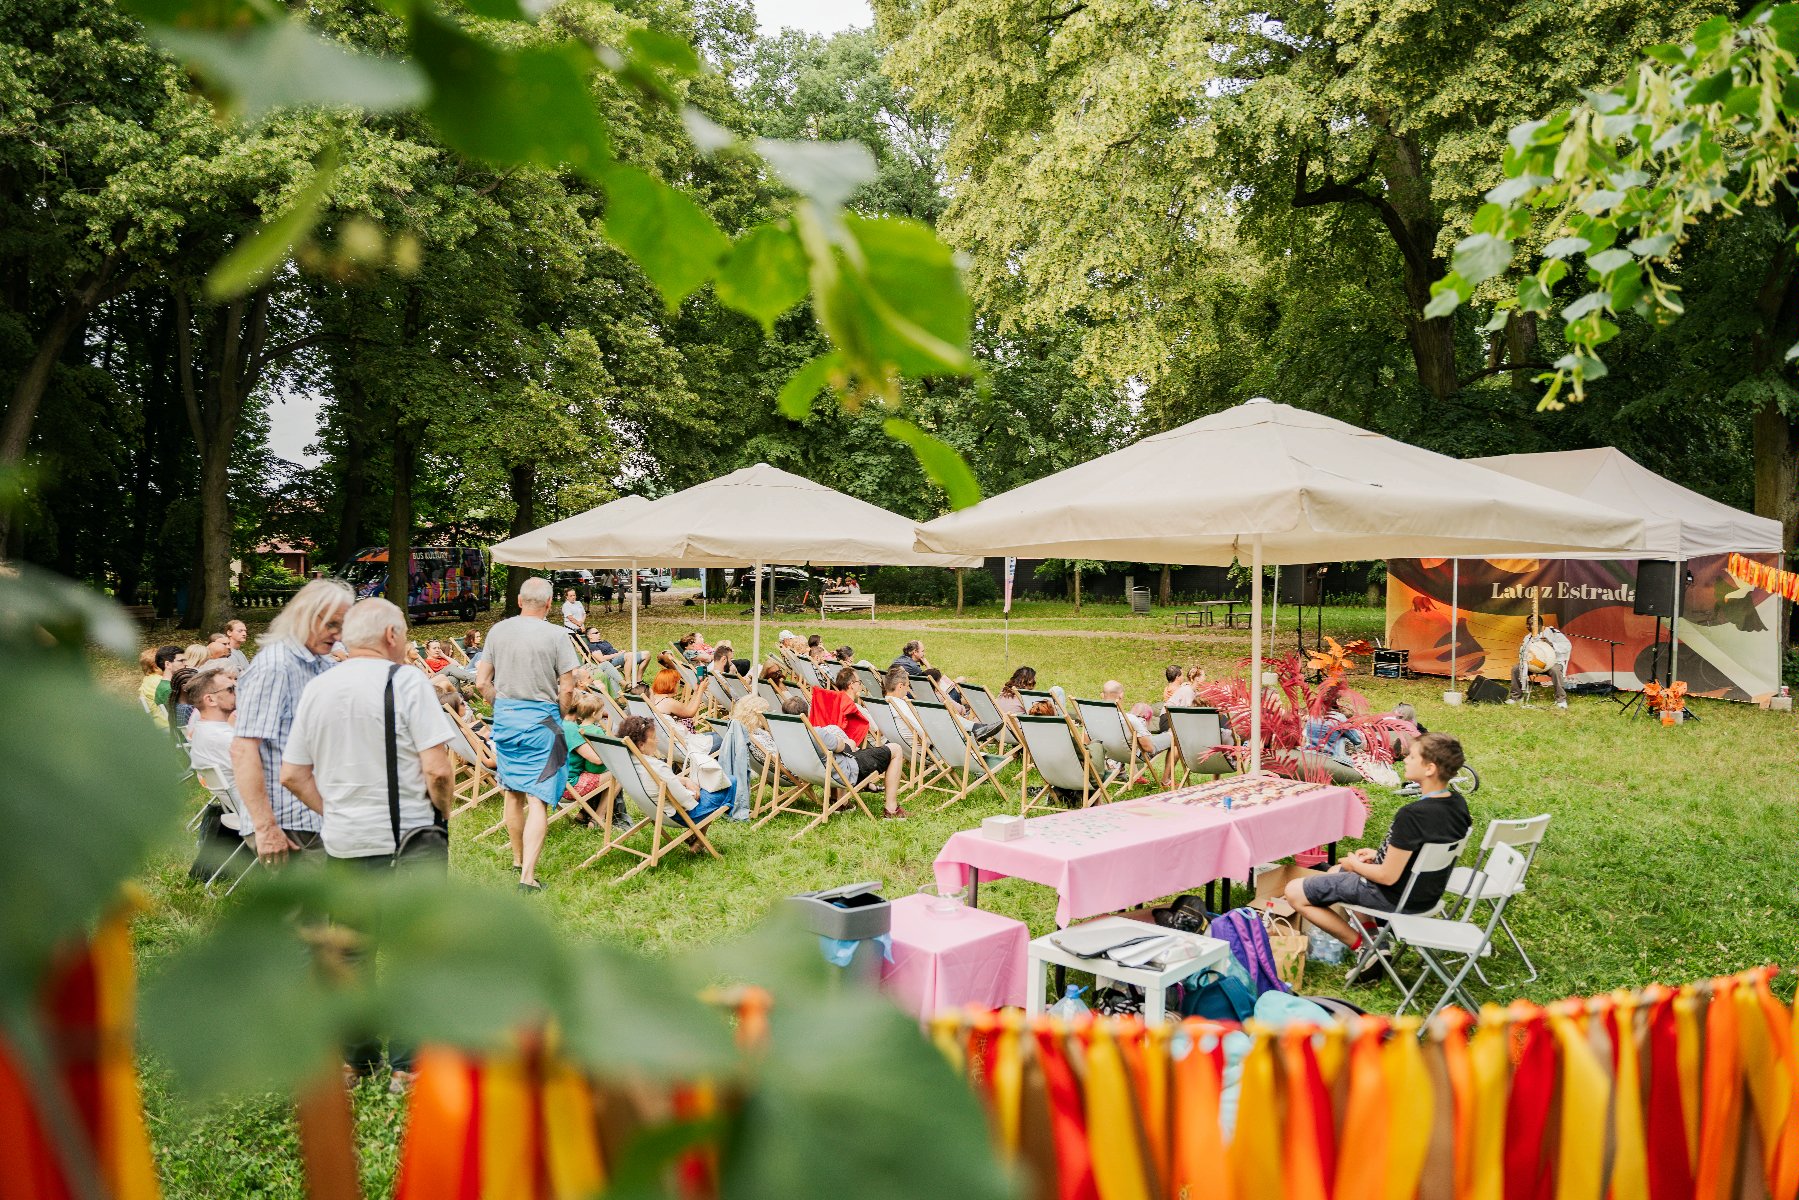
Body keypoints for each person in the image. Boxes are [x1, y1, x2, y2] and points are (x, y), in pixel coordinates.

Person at [1284, 732, 1473, 950]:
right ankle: (1375, 938)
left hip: (1393, 898)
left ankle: (1365, 947)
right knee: (1336, 872)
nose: (1405, 760)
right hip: (1426, 895)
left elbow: (1387, 876)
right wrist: (1379, 855)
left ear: (1430, 768)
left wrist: (1354, 864)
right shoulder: (1457, 804)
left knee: (1294, 891)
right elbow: (1427, 848)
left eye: (1412, 757)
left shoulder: (1413, 815)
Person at [233, 578, 354, 864]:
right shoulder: (275, 666)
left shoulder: (321, 662)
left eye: (343, 626)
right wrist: (265, 828)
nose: (338, 635)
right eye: (331, 624)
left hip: (319, 815)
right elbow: (243, 749)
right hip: (288, 822)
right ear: (304, 616)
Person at [477, 576, 580, 894]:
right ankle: (528, 878)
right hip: (543, 722)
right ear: (550, 605)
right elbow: (568, 687)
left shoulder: (498, 631)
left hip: (506, 721)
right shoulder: (557, 635)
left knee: (512, 791)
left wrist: (504, 706)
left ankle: (518, 860)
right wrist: (558, 716)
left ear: (520, 601)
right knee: (538, 800)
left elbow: (482, 683)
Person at [779, 694, 906, 819]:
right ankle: (891, 808)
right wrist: (848, 742)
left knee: (833, 754)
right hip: (844, 773)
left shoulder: (783, 735)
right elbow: (841, 747)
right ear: (806, 715)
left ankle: (840, 802)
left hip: (811, 774)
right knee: (896, 749)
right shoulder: (816, 733)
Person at [615, 715, 732, 823]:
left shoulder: (628, 764)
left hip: (654, 811)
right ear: (641, 745)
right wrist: (696, 791)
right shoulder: (658, 767)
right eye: (654, 738)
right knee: (731, 782)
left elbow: (659, 781)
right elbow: (688, 801)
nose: (657, 741)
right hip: (680, 816)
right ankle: (730, 818)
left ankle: (696, 840)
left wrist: (685, 780)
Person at [560, 691, 621, 825]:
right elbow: (597, 759)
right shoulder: (571, 728)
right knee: (619, 774)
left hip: (552, 782)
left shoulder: (559, 723)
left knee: (594, 773)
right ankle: (598, 817)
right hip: (568, 786)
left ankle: (583, 814)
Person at [1101, 679, 1173, 769]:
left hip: (1111, 753)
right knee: (1173, 736)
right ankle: (1166, 779)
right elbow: (1148, 748)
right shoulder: (1130, 720)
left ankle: (1118, 769)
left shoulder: (1094, 718)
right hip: (1134, 755)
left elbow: (1086, 742)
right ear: (1121, 695)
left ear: (1102, 695)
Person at [1507, 614, 1571, 709]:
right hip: (1534, 664)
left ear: (1538, 624)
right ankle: (1515, 697)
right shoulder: (1528, 637)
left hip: (1553, 663)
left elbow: (1567, 646)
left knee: (1555, 671)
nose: (1527, 626)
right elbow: (1524, 653)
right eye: (1527, 624)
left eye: (1530, 624)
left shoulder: (1553, 633)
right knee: (1516, 669)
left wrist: (1551, 644)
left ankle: (1561, 700)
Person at [184, 669, 239, 776]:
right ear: (210, 700)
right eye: (230, 689)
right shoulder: (225, 738)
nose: (236, 692)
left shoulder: (200, 730)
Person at [808, 666, 872, 747]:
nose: (860, 685)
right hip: (850, 746)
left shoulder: (831, 702)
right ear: (851, 685)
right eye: (859, 682)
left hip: (826, 742)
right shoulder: (853, 709)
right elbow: (876, 730)